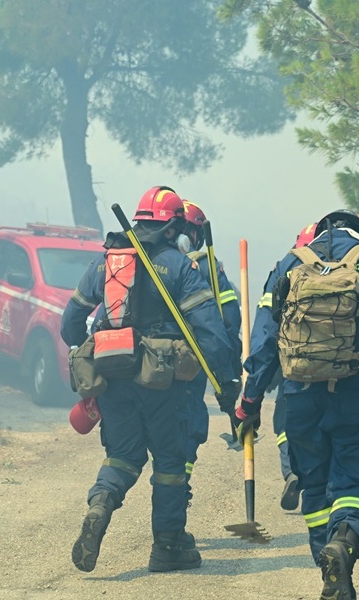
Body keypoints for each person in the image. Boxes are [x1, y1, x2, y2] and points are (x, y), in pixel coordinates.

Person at [236, 209, 359, 600]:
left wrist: (249, 401)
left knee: (316, 488)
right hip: (358, 394)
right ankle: (344, 544)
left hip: (301, 397)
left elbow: (263, 342)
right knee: (358, 482)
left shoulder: (289, 263)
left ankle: (331, 570)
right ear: (357, 233)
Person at [61, 186, 241, 574]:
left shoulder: (107, 262)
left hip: (112, 374)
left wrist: (93, 351)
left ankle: (100, 506)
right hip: (163, 384)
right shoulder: (180, 266)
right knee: (170, 464)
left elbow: (70, 323)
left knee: (122, 457)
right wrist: (226, 384)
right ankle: (168, 546)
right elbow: (211, 333)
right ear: (174, 225)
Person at [178, 200, 242, 503]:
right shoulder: (207, 267)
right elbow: (228, 321)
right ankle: (176, 489)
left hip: (146, 362)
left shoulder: (144, 260)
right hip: (191, 363)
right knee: (189, 426)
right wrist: (229, 372)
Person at [269, 222, 318, 511]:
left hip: (291, 368)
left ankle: (291, 472)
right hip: (335, 369)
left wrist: (257, 384)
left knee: (285, 424)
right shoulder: (345, 273)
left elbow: (267, 329)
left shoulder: (284, 270)